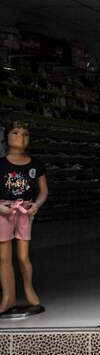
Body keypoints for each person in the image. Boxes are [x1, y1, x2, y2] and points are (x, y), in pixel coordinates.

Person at [0, 122, 48, 314]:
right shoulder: (1, 164)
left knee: (22, 256)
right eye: (16, 132)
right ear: (6, 137)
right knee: (4, 257)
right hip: (4, 211)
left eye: (26, 134)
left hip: (24, 211)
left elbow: (43, 191)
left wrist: (36, 205)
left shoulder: (36, 165)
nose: (21, 137)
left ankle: (29, 291)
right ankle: (8, 298)